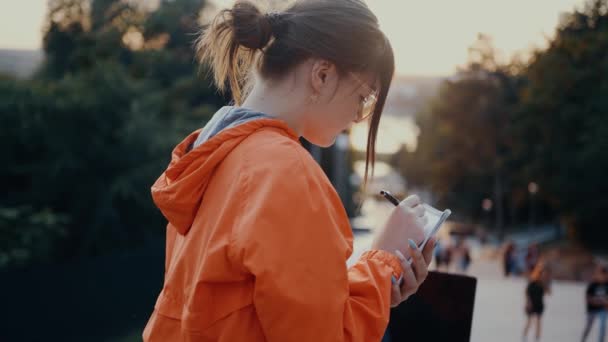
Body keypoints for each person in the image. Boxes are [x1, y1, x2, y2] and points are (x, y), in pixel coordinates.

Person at [142, 1, 436, 341]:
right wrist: (383, 261)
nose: (359, 116)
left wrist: (378, 288)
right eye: (364, 97)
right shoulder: (285, 172)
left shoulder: (211, 152)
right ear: (322, 75)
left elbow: (255, 310)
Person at [523, 262, 552, 341]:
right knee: (529, 322)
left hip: (539, 304)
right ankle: (524, 337)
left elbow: (549, 293)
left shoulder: (543, 283)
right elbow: (527, 293)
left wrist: (546, 283)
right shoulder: (532, 282)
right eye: (540, 273)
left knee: (538, 323)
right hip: (532, 304)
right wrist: (528, 303)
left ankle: (537, 339)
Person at [582, 265, 608, 342]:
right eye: (602, 275)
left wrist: (605, 303)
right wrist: (596, 301)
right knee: (588, 327)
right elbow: (588, 298)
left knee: (602, 326)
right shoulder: (593, 285)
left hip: (602, 309)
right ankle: (583, 339)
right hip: (592, 309)